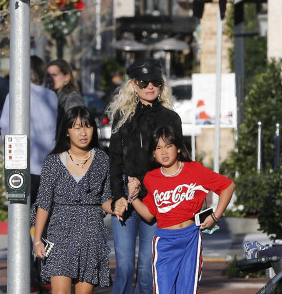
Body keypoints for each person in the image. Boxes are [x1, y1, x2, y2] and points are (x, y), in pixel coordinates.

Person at [105, 58, 183, 294]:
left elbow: (180, 160)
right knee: (125, 268)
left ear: (162, 85)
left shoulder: (172, 119)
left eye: (155, 82)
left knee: (149, 272)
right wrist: (118, 196)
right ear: (134, 85)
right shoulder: (122, 116)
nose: (150, 87)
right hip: (127, 199)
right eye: (144, 82)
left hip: (157, 199)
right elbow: (114, 160)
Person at [127, 125, 235, 294]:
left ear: (178, 147)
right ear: (153, 154)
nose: (164, 152)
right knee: (163, 290)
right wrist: (132, 197)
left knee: (187, 290)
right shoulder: (151, 178)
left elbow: (228, 186)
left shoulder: (195, 170)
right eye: (158, 148)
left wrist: (215, 216)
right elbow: (149, 215)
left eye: (168, 146)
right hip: (164, 242)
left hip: (191, 238)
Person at [31, 106, 126, 294]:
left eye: (88, 127)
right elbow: (44, 203)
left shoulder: (102, 160)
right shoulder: (52, 162)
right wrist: (37, 240)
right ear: (67, 131)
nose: (83, 133)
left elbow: (105, 199)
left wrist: (115, 207)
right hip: (59, 237)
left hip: (91, 236)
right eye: (76, 127)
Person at [0, 55, 58, 293]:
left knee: (21, 223)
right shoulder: (51, 96)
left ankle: (26, 275)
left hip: (21, 168)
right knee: (45, 223)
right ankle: (43, 271)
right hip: (46, 167)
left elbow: (5, 127)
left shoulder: (14, 95)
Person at [46, 59, 85, 128]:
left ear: (67, 77)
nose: (50, 79)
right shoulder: (54, 98)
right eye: (48, 75)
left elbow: (77, 128)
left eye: (54, 75)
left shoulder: (72, 99)